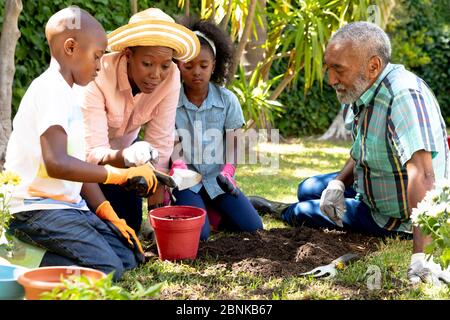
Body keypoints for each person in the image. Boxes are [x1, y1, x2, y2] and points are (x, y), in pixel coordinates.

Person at [249, 21, 450, 285]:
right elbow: (361, 150)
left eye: (338, 69)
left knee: (302, 212)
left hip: (393, 213)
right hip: (373, 182)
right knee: (308, 187)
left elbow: (423, 175)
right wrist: (337, 183)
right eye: (328, 68)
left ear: (373, 66)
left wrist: (422, 257)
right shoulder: (362, 91)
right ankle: (315, 195)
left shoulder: (403, 97)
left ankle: (282, 210)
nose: (331, 79)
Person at [4, 7, 158, 280]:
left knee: (129, 257)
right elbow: (57, 163)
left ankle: (45, 254)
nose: (100, 66)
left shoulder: (70, 95)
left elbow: (78, 166)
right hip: (35, 209)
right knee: (107, 271)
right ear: (71, 48)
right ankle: (20, 256)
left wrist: (107, 212)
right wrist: (119, 175)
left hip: (67, 207)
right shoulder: (50, 90)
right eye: (97, 57)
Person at [78, 8, 200, 235]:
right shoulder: (97, 75)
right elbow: (92, 152)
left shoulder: (171, 76)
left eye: (164, 65)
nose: (156, 75)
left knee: (131, 224)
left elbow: (161, 142)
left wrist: (158, 213)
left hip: (128, 160)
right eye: (147, 63)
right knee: (104, 229)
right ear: (128, 54)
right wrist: (127, 160)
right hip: (84, 165)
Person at [170, 19, 263, 241]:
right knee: (199, 235)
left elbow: (234, 142)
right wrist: (179, 166)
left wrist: (228, 171)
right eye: (189, 66)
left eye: (203, 65)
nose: (197, 72)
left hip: (217, 180)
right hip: (186, 182)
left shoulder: (227, 100)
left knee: (252, 227)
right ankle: (204, 211)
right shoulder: (170, 102)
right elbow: (173, 145)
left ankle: (213, 209)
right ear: (178, 65)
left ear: (214, 65)